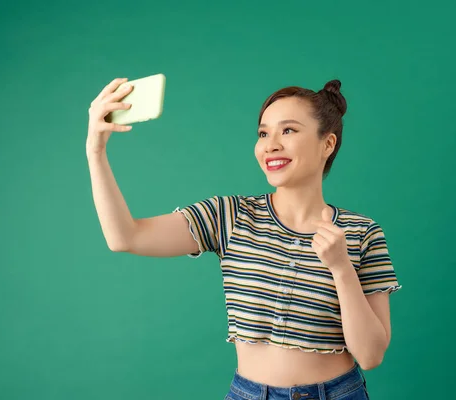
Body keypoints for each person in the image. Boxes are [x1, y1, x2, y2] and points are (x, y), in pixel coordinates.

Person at [86, 77, 401, 400]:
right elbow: (125, 236)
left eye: (288, 130)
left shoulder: (362, 232)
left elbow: (371, 355)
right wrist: (95, 151)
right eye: (263, 133)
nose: (270, 144)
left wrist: (341, 268)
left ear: (328, 144)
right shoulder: (230, 216)